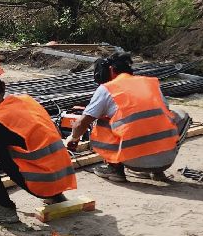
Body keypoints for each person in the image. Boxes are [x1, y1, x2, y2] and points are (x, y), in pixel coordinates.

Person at [0, 57, 77, 223]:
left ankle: (2, 206)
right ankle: (56, 197)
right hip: (62, 179)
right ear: (2, 84)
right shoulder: (26, 101)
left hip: (43, 185)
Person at [65, 50, 191, 181]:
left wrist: (73, 137)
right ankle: (156, 171)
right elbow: (162, 114)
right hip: (166, 161)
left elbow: (82, 123)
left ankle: (115, 169)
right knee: (178, 115)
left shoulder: (107, 88)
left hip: (132, 160)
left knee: (104, 120)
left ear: (111, 70)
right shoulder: (149, 83)